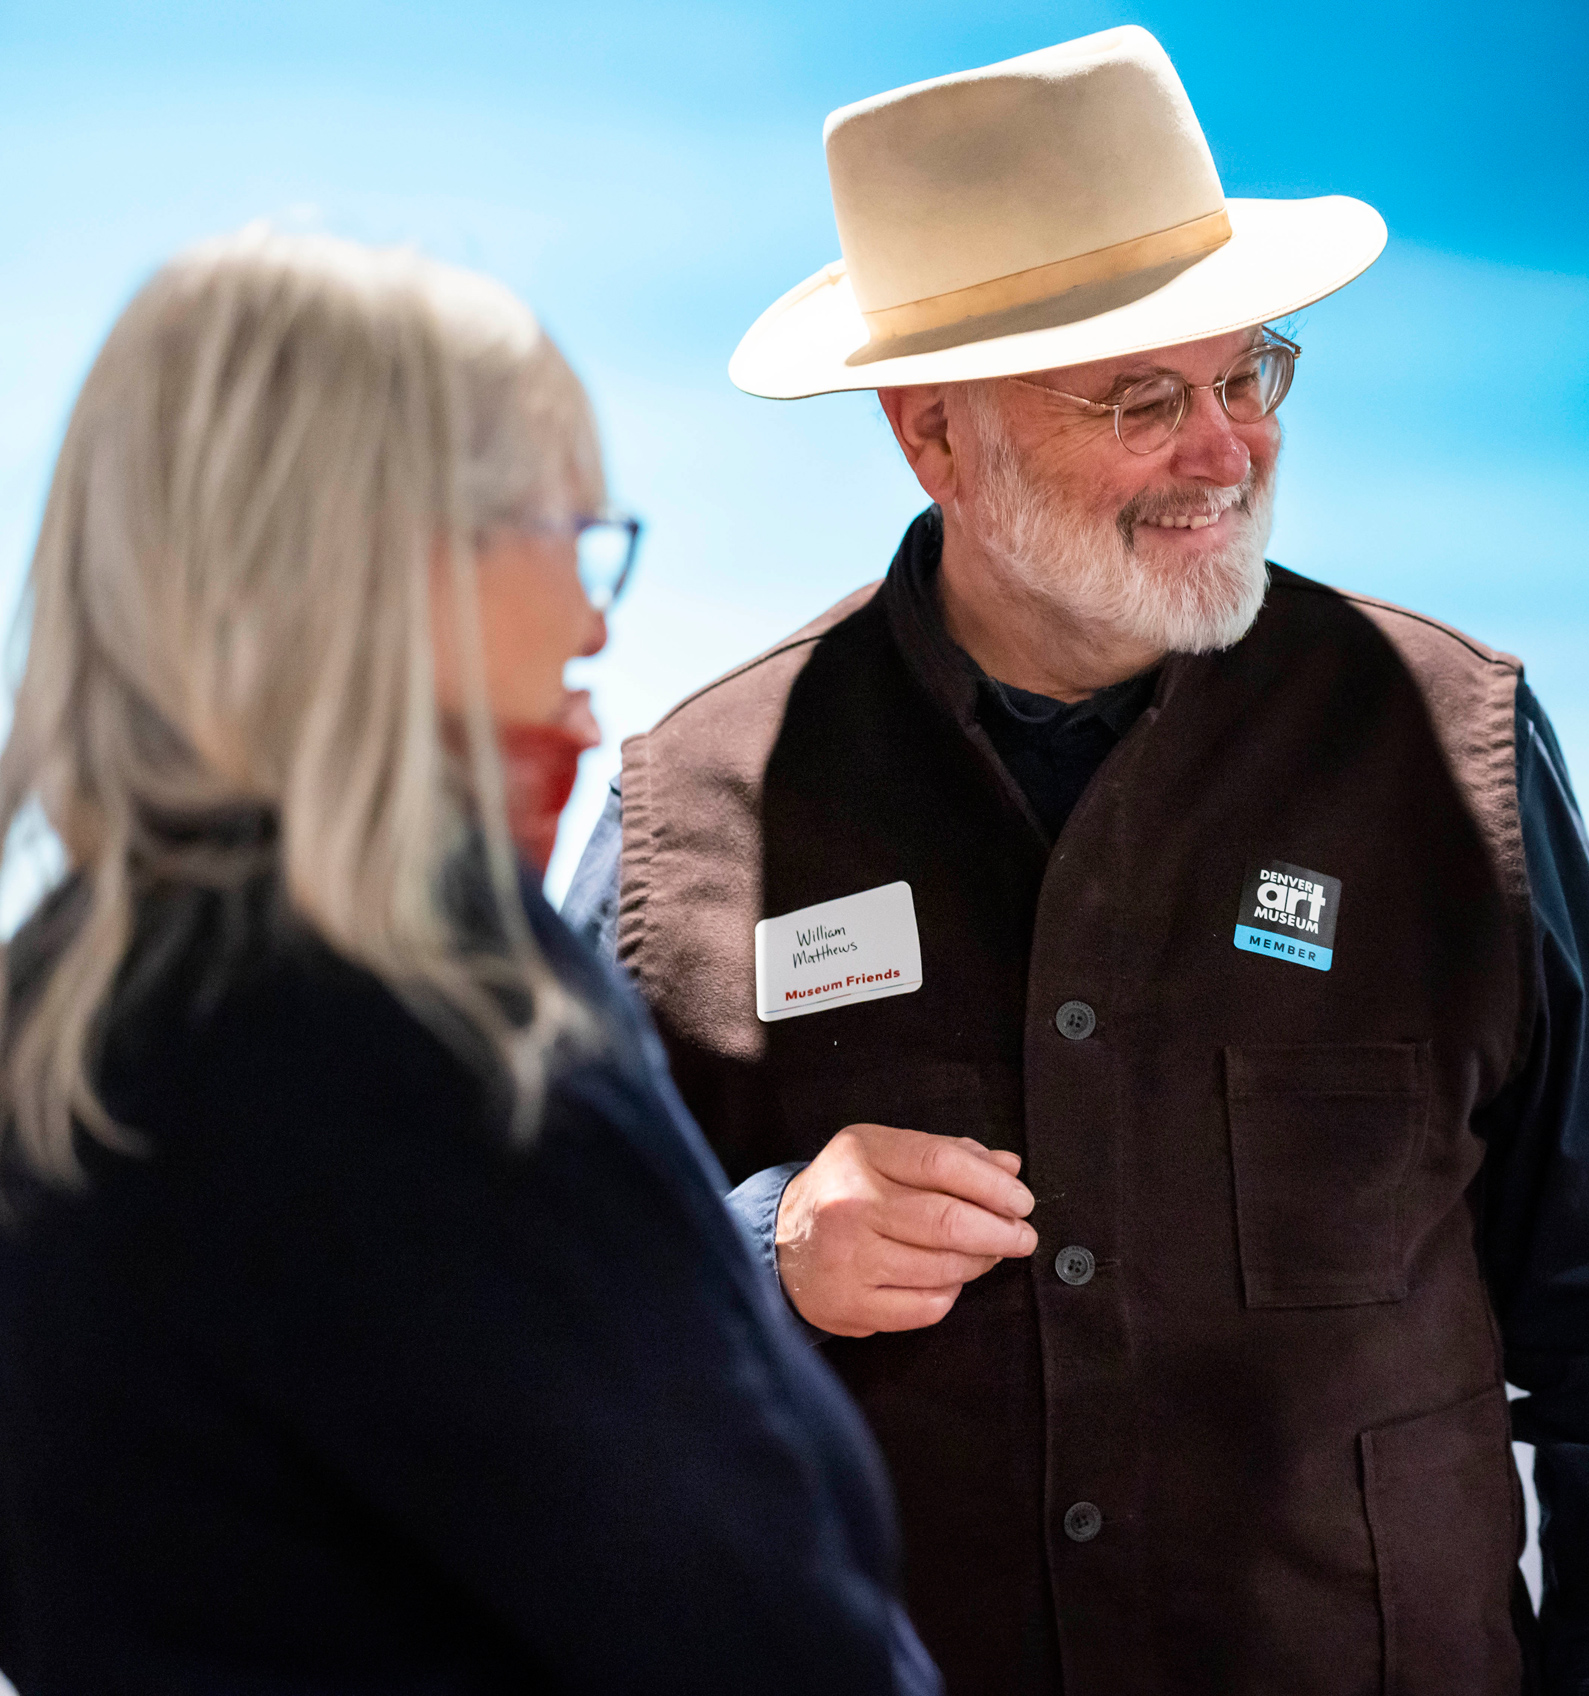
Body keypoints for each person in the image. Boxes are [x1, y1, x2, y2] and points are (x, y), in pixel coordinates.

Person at [560, 27, 1589, 1696]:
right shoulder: (688, 811)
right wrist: (767, 1253)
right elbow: (531, 1325)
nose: (1226, 448)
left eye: (1249, 375)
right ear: (933, 439)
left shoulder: (1454, 742)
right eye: (1141, 400)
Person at [0, 228, 937, 1694]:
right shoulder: (428, 1034)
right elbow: (760, 1630)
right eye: (568, 534)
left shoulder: (59, 1002)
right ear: (381, 557)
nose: (592, 613)